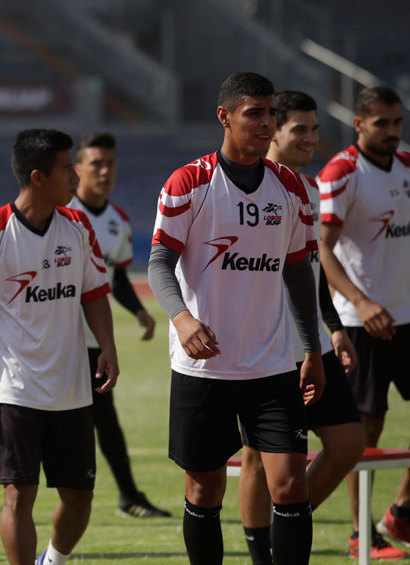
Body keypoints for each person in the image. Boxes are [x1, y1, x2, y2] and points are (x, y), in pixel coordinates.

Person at [147, 72, 325, 565]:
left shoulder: (290, 187)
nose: (266, 123)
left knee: (289, 483)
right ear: (225, 117)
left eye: (271, 114)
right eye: (255, 113)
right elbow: (159, 261)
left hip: (271, 366)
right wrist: (182, 319)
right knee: (204, 490)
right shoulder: (189, 183)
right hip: (204, 369)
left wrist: (310, 348)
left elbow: (296, 272)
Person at [0, 128, 120, 565]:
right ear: (39, 177)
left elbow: (95, 292)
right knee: (18, 495)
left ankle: (54, 560)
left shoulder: (78, 228)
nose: (77, 177)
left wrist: (108, 347)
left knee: (81, 496)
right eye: (68, 169)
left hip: (73, 389)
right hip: (15, 391)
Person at [317, 85, 410, 558]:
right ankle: (361, 534)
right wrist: (360, 301)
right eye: (381, 124)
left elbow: (407, 218)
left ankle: (401, 512)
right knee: (365, 432)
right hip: (362, 322)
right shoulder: (342, 172)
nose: (392, 132)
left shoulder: (408, 165)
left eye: (397, 123)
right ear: (359, 124)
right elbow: (323, 248)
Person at [236, 91, 368, 564]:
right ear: (274, 130)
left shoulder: (309, 190)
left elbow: (309, 273)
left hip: (312, 345)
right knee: (256, 458)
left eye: (315, 129)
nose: (311, 138)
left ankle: (285, 529)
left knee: (348, 443)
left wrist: (333, 327)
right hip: (267, 350)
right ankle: (262, 555)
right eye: (300, 130)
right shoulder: (248, 189)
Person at [66, 131, 169, 519]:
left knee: (104, 421)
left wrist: (139, 311)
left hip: (93, 342)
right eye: (96, 164)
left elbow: (118, 278)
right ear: (78, 168)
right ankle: (107, 496)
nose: (105, 171)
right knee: (71, 423)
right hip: (55, 342)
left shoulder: (117, 220)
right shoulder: (60, 213)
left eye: (110, 164)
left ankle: (126, 496)